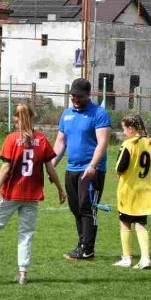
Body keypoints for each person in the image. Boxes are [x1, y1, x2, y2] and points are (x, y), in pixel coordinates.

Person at [0, 104, 66, 284]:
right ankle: (23, 273)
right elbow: (50, 169)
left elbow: (5, 168)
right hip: (32, 194)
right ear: (33, 118)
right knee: (26, 233)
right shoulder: (42, 140)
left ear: (16, 118)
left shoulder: (12, 139)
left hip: (12, 192)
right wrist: (60, 189)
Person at [53, 78, 112, 261]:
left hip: (91, 170)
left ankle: (88, 249)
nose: (75, 99)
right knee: (76, 208)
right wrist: (50, 165)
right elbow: (60, 142)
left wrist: (93, 166)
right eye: (72, 95)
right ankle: (81, 245)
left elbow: (102, 142)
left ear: (88, 95)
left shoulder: (99, 114)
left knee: (87, 208)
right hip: (72, 169)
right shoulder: (67, 114)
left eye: (78, 96)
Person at [113, 115, 151, 270]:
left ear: (131, 128)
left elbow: (120, 167)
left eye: (124, 128)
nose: (123, 132)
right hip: (147, 191)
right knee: (141, 223)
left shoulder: (129, 144)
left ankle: (127, 258)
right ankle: (145, 258)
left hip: (129, 190)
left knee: (125, 222)